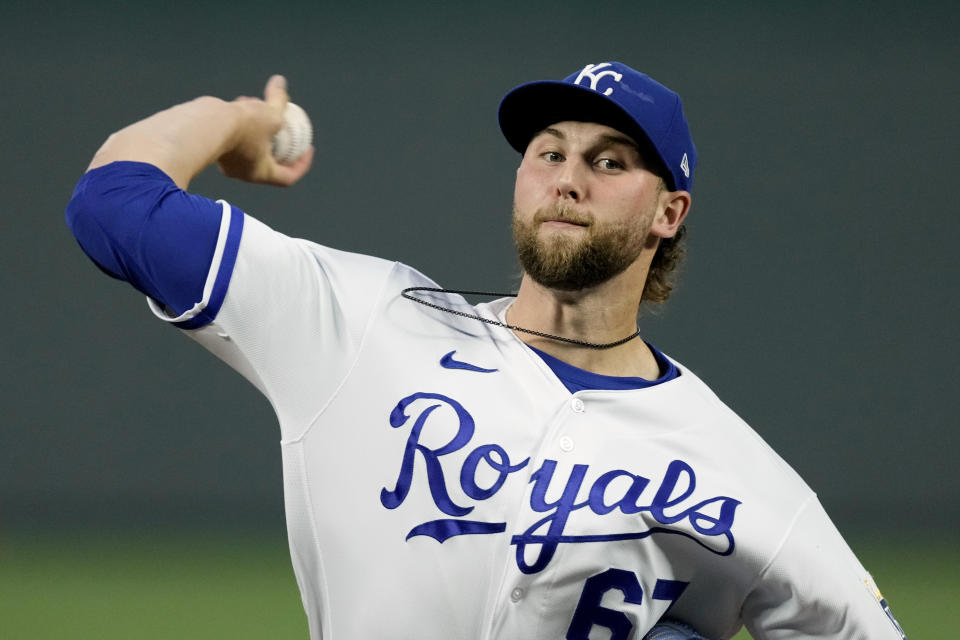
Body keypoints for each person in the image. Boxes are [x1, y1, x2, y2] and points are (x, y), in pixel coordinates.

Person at [65, 62, 907, 640]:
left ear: (669, 214)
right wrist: (232, 119)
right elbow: (111, 203)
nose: (567, 177)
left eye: (609, 161)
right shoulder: (363, 323)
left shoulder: (743, 478)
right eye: (549, 152)